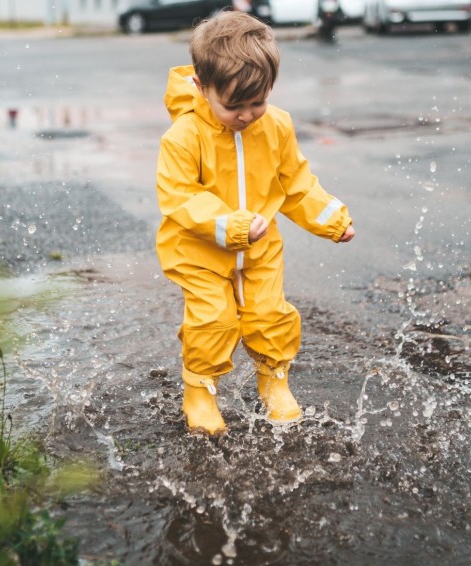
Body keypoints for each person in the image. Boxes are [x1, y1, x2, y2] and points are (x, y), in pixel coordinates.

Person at [155, 11, 355, 435]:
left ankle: (274, 382)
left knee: (270, 314)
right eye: (234, 106)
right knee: (215, 320)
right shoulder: (184, 136)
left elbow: (295, 182)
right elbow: (179, 197)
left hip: (261, 250)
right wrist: (230, 224)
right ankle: (200, 390)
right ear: (202, 86)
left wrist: (330, 218)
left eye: (257, 102)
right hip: (199, 251)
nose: (247, 115)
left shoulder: (276, 125)